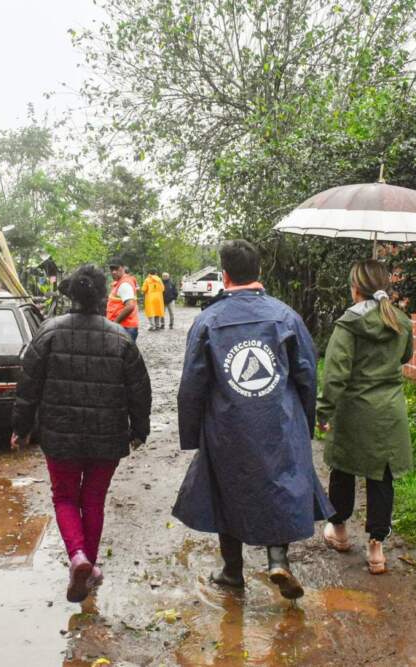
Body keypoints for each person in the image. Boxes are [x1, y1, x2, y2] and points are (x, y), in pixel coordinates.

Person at [173, 240, 332, 600]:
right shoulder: (286, 316)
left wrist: (193, 435)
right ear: (259, 271)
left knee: (226, 488)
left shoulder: (208, 321)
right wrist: (305, 422)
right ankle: (278, 559)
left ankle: (232, 571)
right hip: (279, 420)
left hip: (226, 425)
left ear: (224, 275)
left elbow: (192, 384)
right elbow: (307, 374)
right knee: (279, 482)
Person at [11, 264, 152, 603]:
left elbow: (28, 386)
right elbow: (140, 390)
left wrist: (21, 427)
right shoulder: (120, 338)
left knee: (64, 498)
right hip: (108, 436)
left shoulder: (48, 332)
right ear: (104, 297)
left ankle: (77, 557)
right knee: (93, 499)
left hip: (60, 435)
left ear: (71, 296)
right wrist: (139, 430)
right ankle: (89, 564)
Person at [317, 259, 413, 575]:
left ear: (355, 288)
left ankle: (340, 532)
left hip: (354, 411)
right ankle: (376, 550)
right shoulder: (401, 320)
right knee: (381, 476)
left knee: (343, 468)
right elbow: (406, 355)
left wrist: (323, 411)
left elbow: (335, 374)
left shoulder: (349, 323)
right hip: (389, 413)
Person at [106, 258, 140, 342]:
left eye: (116, 268)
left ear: (123, 268)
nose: (114, 272)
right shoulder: (119, 282)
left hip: (125, 327)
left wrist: (114, 324)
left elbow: (130, 306)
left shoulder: (124, 284)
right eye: (112, 269)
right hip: (123, 327)